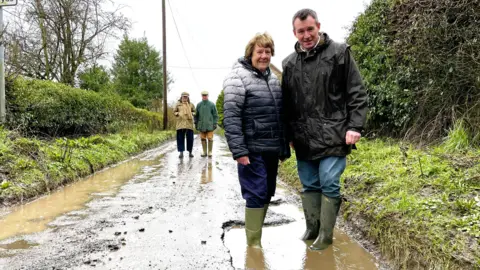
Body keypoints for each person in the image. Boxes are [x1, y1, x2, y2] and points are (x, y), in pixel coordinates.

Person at [282, 9, 368, 250]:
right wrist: (288, 134)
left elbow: (357, 92)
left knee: (329, 180)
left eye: (310, 29)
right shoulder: (289, 63)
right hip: (303, 138)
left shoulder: (340, 53)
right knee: (309, 184)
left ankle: (326, 236)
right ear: (294, 33)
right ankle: (312, 227)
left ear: (318, 26)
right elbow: (287, 104)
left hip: (334, 133)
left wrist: (355, 126)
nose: (307, 35)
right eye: (301, 31)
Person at [223, 32, 290, 248]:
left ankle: (256, 235)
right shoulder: (238, 77)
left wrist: (283, 146)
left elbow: (280, 114)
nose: (263, 56)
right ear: (250, 53)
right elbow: (231, 116)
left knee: (268, 191)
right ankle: (253, 244)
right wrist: (239, 151)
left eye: (267, 52)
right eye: (259, 51)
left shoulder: (272, 79)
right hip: (251, 148)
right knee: (255, 192)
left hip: (271, 147)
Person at [195, 91, 218, 158]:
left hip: (210, 125)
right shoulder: (199, 105)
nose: (204, 96)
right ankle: (204, 152)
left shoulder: (212, 104)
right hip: (201, 125)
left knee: (210, 138)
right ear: (201, 96)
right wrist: (196, 123)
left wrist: (215, 123)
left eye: (206, 95)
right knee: (202, 138)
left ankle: (210, 152)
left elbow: (215, 115)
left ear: (208, 96)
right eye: (203, 95)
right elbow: (196, 115)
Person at [174, 92, 196, 158]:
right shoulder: (178, 104)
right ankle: (181, 153)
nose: (185, 98)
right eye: (183, 96)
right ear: (181, 97)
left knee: (190, 139)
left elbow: (194, 111)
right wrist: (177, 114)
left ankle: (190, 152)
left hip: (189, 124)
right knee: (180, 138)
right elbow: (174, 111)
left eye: (186, 97)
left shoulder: (191, 104)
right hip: (180, 124)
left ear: (188, 97)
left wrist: (192, 114)